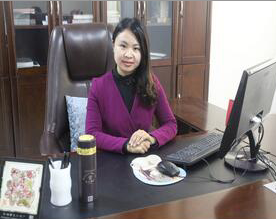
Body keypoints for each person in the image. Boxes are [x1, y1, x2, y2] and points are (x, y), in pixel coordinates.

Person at [85, 17, 177, 154]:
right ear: (113, 44)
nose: (129, 54)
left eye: (136, 48)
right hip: (112, 160)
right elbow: (92, 134)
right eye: (123, 46)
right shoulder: (98, 87)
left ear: (143, 52)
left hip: (144, 160)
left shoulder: (151, 82)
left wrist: (151, 138)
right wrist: (126, 145)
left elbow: (171, 124)